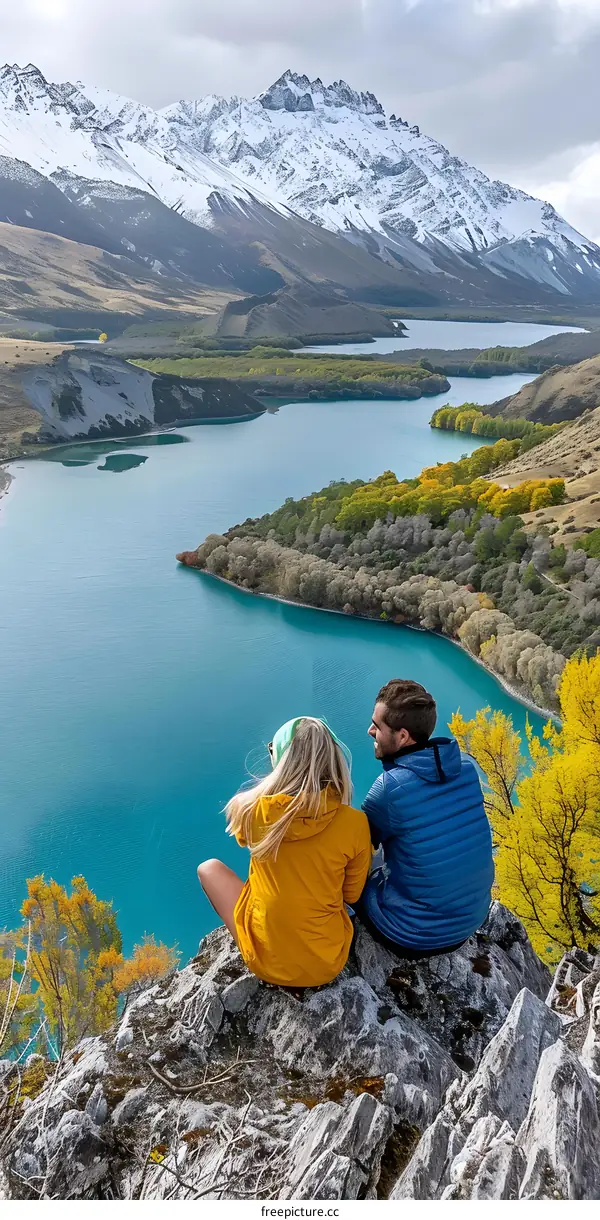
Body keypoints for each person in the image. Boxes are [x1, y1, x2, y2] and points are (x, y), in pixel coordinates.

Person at [197, 717, 372, 989]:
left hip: (265, 963)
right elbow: (351, 895)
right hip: (326, 963)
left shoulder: (252, 811)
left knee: (208, 868)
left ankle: (261, 938)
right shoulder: (355, 823)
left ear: (281, 760)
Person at [356, 679, 494, 959]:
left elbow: (351, 846)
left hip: (411, 934)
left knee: (350, 873)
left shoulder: (390, 787)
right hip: (469, 921)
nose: (370, 731)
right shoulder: (466, 770)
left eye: (377, 726)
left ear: (403, 736)